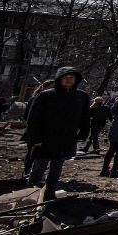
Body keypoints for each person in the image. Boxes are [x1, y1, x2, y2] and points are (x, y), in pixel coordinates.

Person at [25, 67, 90, 199]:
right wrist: (35, 138)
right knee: (39, 168)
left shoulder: (81, 97)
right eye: (65, 77)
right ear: (59, 79)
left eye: (72, 78)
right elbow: (33, 118)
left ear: (76, 80)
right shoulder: (46, 95)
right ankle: (30, 197)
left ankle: (48, 196)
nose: (68, 80)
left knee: (56, 170)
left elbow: (85, 117)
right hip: (44, 139)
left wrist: (82, 134)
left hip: (65, 139)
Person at [22, 79, 54, 176]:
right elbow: (27, 117)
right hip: (35, 131)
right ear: (44, 88)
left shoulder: (54, 101)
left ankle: (37, 175)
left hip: (47, 133)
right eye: (51, 87)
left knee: (42, 155)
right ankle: (28, 173)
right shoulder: (36, 99)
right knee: (32, 154)